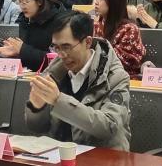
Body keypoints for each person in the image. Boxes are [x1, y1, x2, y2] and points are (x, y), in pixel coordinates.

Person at [25, 12, 131, 151]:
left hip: (103, 158)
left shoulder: (116, 77)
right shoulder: (54, 73)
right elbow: (36, 128)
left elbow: (109, 126)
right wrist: (36, 109)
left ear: (87, 42)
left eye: (66, 47)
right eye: (56, 47)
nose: (61, 55)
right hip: (59, 155)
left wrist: (59, 100)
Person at [0, 0, 66, 70]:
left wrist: (23, 50)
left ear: (40, 1)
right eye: (20, 1)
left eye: (26, 1)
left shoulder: (59, 22)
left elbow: (59, 60)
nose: (22, 6)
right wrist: (14, 52)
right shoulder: (23, 19)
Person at [93, 0, 145, 78]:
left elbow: (126, 62)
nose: (96, 2)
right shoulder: (96, 25)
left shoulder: (130, 29)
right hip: (98, 76)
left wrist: (93, 52)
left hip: (123, 78)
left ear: (114, 2)